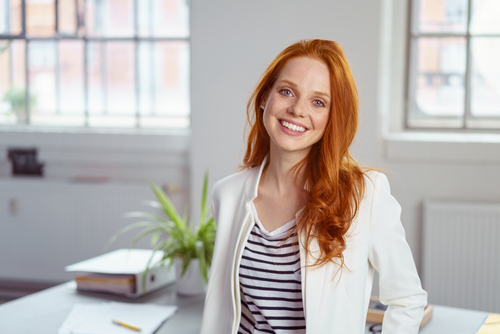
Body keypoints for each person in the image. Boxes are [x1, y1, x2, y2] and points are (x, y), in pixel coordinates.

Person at [200, 39, 427, 334]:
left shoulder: (364, 194)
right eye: (286, 92)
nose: (297, 110)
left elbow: (407, 298)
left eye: (318, 102)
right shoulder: (228, 195)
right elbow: (232, 308)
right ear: (264, 97)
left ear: (331, 118)